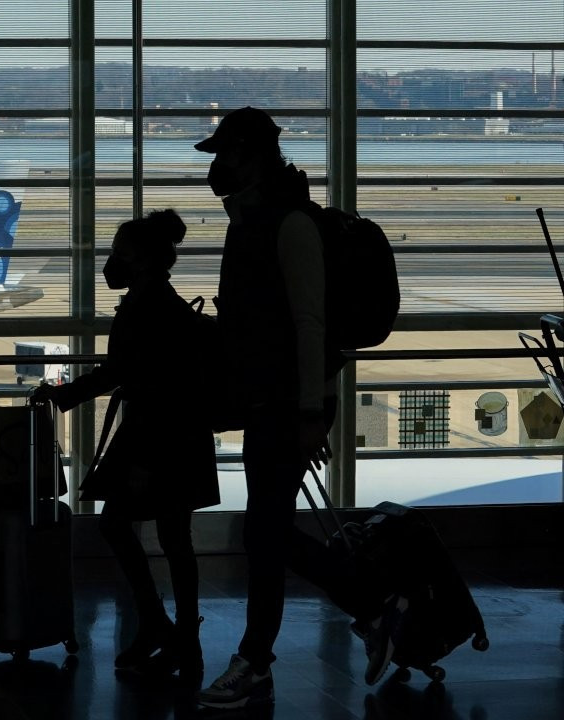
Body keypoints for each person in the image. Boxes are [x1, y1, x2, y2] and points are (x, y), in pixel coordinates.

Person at [192, 107, 402, 711]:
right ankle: (366, 609)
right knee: (267, 532)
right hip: (273, 402)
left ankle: (262, 658)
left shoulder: (290, 225)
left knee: (264, 533)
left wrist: (311, 411)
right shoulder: (252, 222)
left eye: (225, 154)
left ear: (254, 157)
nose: (217, 166)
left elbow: (310, 325)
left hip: (290, 405)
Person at [35, 209, 220, 680]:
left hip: (157, 434)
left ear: (142, 258)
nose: (112, 261)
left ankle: (161, 625)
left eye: (120, 252)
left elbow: (122, 373)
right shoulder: (160, 301)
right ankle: (181, 637)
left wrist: (63, 396)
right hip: (179, 433)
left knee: (119, 525)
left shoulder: (147, 307)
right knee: (174, 539)